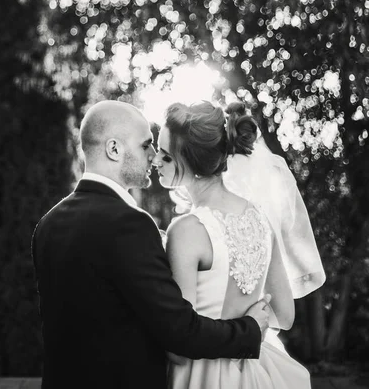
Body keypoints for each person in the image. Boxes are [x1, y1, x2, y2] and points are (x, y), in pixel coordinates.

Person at [31, 100, 271, 389]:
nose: (155, 155)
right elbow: (180, 331)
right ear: (114, 149)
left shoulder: (48, 224)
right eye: (146, 145)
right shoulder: (130, 225)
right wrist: (249, 331)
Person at [153, 100, 325, 389]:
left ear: (193, 165)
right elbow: (284, 315)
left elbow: (178, 349)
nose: (156, 161)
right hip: (255, 372)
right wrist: (249, 323)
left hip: (200, 376)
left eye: (166, 156)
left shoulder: (187, 230)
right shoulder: (260, 219)